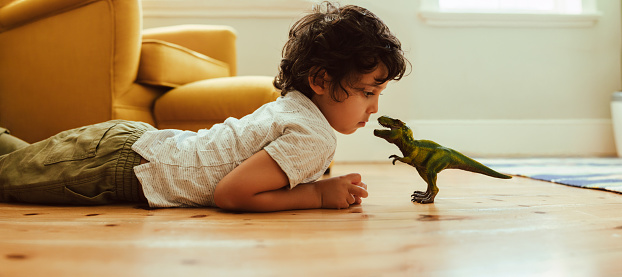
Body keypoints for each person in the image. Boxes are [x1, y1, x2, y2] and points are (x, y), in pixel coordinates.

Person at [0, 2, 408, 212]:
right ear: (320, 81)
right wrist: (317, 197)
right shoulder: (313, 137)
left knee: (24, 160)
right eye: (367, 92)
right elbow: (231, 194)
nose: (372, 108)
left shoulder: (293, 106)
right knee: (7, 179)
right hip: (117, 169)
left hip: (130, 149)